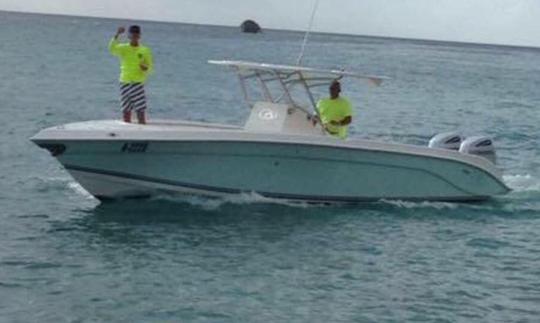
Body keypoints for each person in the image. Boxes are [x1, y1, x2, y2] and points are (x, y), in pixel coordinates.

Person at [109, 25, 154, 124]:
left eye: (136, 35)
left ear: (139, 36)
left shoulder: (144, 50)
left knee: (140, 109)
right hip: (124, 81)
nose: (134, 37)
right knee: (126, 108)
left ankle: (142, 128)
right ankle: (127, 130)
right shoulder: (123, 48)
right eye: (132, 35)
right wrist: (117, 35)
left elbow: (150, 67)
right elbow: (112, 49)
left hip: (137, 83)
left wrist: (145, 68)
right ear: (129, 36)